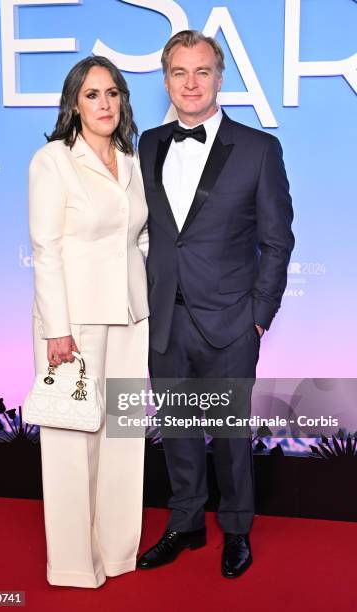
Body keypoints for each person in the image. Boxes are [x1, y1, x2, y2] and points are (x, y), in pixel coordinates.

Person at [136, 31, 294, 578]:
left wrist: (258, 316)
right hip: (164, 318)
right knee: (176, 431)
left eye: (202, 72)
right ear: (165, 80)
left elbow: (277, 241)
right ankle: (185, 523)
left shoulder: (258, 149)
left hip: (230, 321)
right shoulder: (148, 144)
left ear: (220, 78)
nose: (191, 83)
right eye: (179, 73)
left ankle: (237, 531)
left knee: (229, 436)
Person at [28, 55, 149, 589]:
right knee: (73, 441)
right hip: (73, 325)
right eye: (92, 94)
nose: (105, 104)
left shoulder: (130, 157)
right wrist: (58, 327)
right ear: (74, 104)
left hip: (130, 316)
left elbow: (139, 236)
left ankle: (118, 552)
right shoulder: (52, 161)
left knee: (123, 436)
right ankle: (76, 564)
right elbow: (46, 248)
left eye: (113, 93)